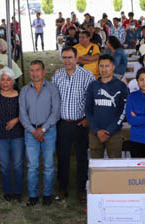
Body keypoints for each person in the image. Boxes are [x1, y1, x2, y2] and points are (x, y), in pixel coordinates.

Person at [53, 46, 95, 202]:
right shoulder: (57, 75)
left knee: (81, 158)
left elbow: (92, 100)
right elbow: (54, 98)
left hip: (80, 123)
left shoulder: (87, 76)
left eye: (70, 57)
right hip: (62, 123)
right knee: (62, 157)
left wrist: (87, 119)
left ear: (77, 58)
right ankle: (62, 189)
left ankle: (81, 190)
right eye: (64, 57)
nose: (67, 60)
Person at [20, 60, 60, 206]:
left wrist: (42, 130)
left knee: (49, 165)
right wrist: (33, 131)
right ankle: (33, 195)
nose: (34, 73)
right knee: (32, 166)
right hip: (30, 132)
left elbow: (55, 112)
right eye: (31, 70)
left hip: (48, 131)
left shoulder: (52, 89)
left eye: (37, 70)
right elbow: (22, 114)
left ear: (43, 72)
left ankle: (47, 194)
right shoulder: (24, 90)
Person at [84, 55, 129, 160]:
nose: (104, 69)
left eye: (107, 66)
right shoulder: (93, 85)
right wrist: (96, 130)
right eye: (101, 66)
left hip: (114, 133)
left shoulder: (121, 86)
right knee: (96, 166)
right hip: (95, 133)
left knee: (115, 166)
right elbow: (88, 109)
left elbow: (124, 109)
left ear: (113, 67)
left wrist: (110, 130)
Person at [0, 68, 24, 201]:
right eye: (3, 80)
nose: (5, 83)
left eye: (8, 80)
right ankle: (7, 191)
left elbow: (26, 112)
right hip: (1, 136)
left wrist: (16, 120)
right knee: (4, 165)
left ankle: (18, 191)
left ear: (13, 81)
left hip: (17, 135)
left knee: (17, 165)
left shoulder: (20, 94)